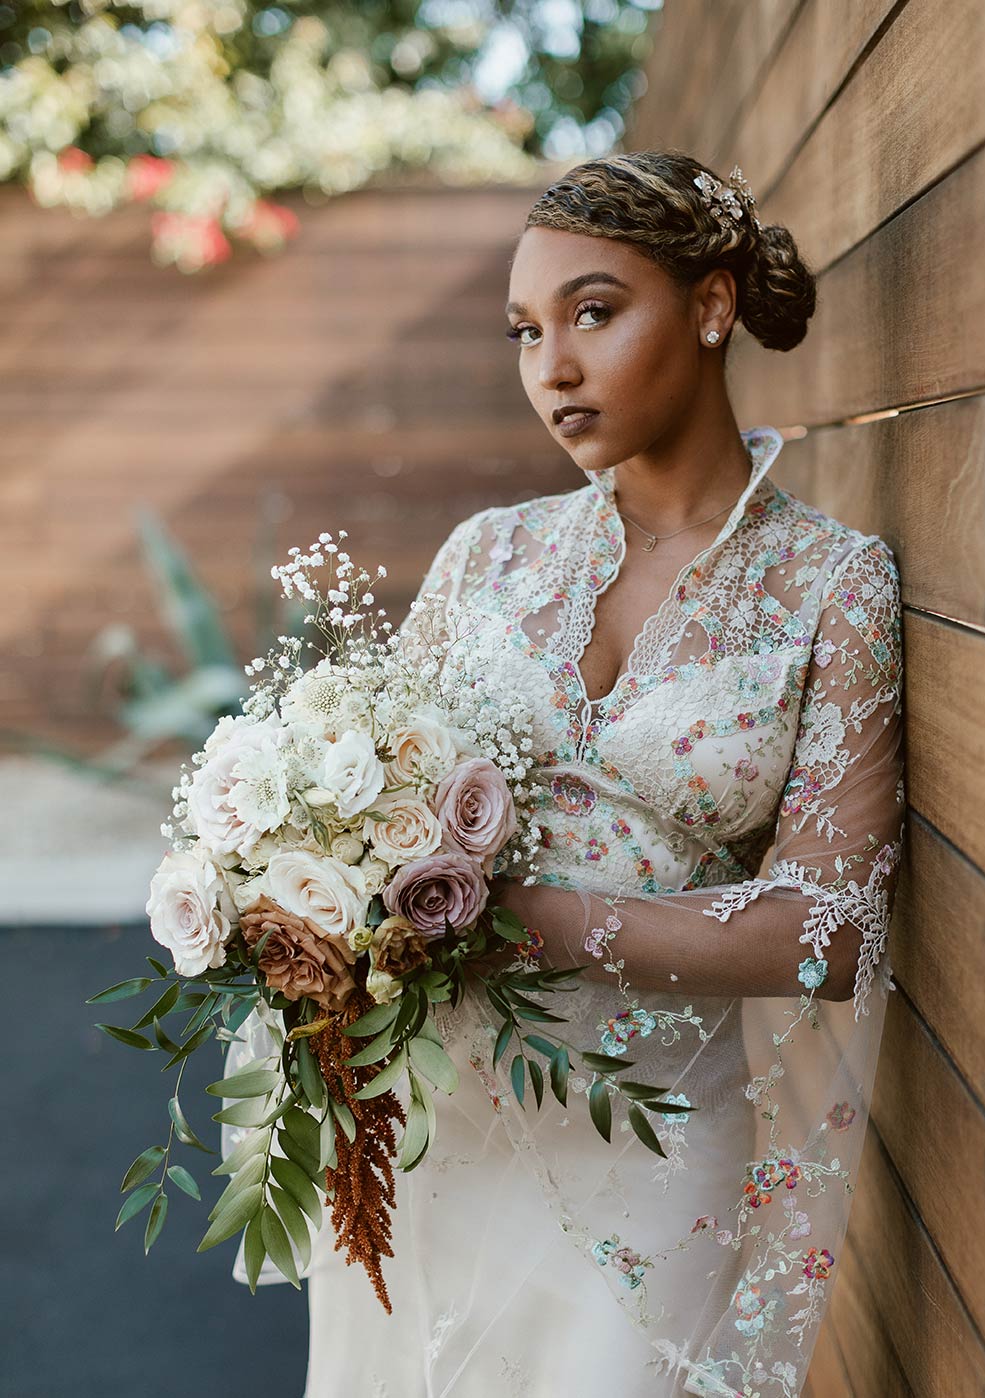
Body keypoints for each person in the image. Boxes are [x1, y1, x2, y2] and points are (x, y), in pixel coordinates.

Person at [240, 151, 905, 1398]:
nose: (552, 365)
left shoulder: (832, 584)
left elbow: (829, 932)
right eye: (525, 330)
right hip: (431, 1121)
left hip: (648, 1146)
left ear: (710, 306)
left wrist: (528, 925)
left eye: (593, 313)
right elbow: (373, 812)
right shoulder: (485, 558)